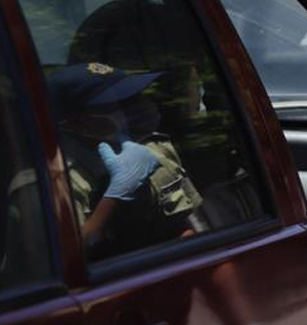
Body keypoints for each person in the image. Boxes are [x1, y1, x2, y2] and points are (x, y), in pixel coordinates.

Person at [46, 61, 208, 259]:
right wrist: (114, 196)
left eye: (132, 99)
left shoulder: (154, 149)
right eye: (112, 105)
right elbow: (65, 261)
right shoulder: (58, 182)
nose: (131, 110)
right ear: (77, 124)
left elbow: (191, 221)